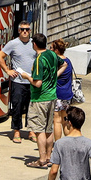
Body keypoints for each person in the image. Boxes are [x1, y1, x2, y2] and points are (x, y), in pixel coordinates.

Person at [0, 20, 36, 144]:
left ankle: (31, 131)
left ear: (30, 31)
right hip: (18, 81)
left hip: (32, 81)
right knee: (17, 106)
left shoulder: (34, 43)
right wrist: (8, 70)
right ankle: (16, 131)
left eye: (27, 29)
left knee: (32, 107)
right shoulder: (13, 43)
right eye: (22, 29)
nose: (25, 32)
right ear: (19, 31)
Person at [27, 32, 60, 169]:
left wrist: (26, 76)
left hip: (40, 98)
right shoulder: (52, 54)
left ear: (34, 44)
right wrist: (53, 78)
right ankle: (48, 157)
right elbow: (63, 64)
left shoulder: (39, 60)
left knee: (39, 130)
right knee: (49, 129)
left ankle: (41, 159)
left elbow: (37, 83)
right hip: (52, 96)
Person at [52, 37, 81, 142]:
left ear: (56, 50)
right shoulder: (68, 60)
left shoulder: (55, 61)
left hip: (57, 95)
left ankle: (58, 144)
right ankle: (68, 142)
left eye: (51, 48)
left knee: (57, 121)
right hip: (67, 94)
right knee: (65, 120)